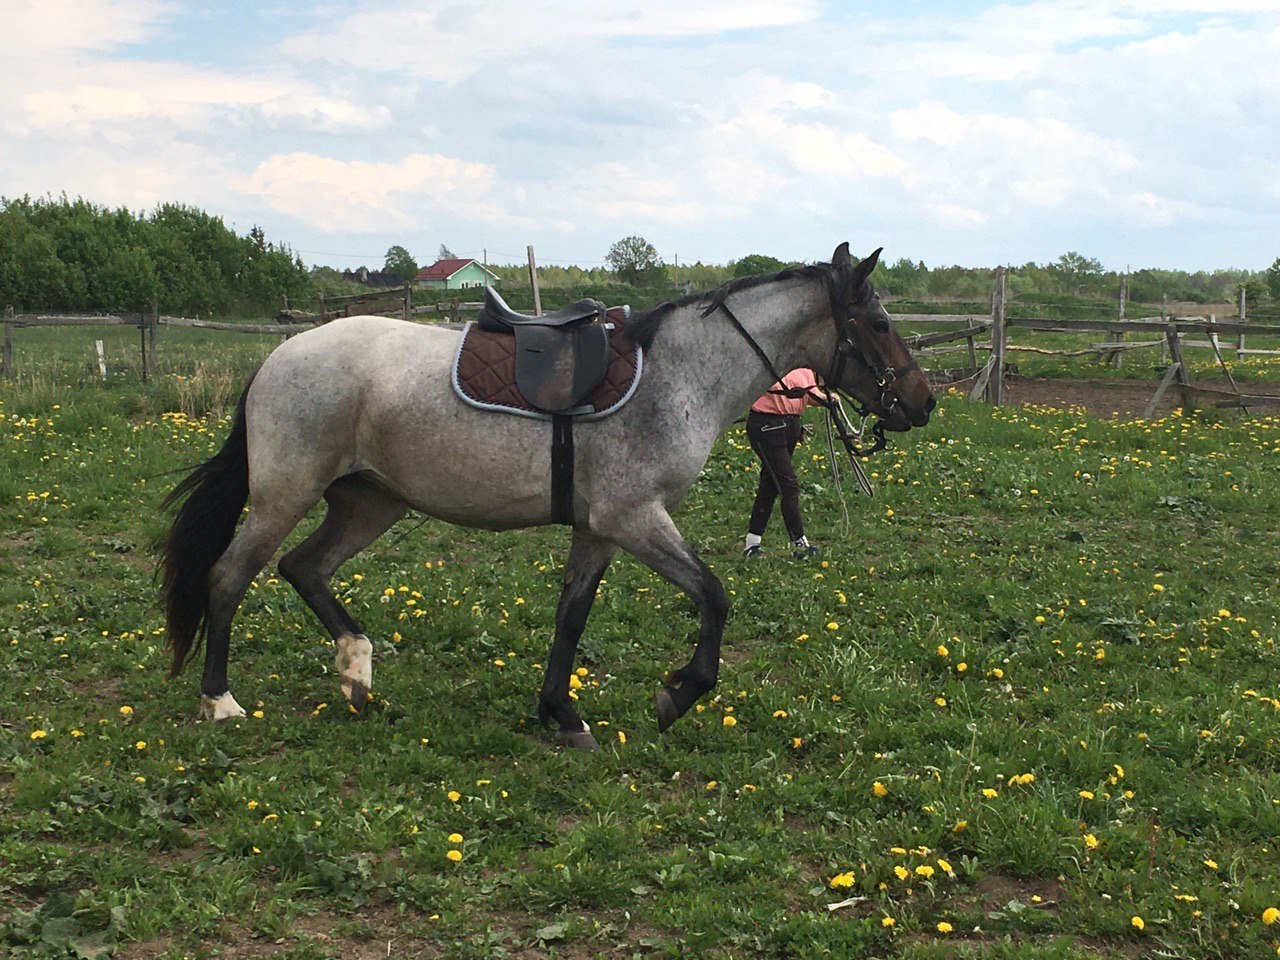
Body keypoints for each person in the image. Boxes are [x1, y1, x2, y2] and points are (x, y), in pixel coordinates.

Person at [742, 367, 828, 559]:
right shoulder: (773, 364)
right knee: (788, 485)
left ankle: (752, 543)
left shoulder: (805, 369)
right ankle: (800, 544)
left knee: (770, 484)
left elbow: (811, 395)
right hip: (767, 427)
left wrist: (830, 400)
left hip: (790, 428)